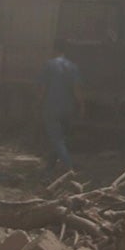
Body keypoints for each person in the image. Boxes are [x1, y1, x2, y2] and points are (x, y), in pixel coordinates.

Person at [38, 46, 83, 176]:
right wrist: (82, 105)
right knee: (60, 138)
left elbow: (42, 89)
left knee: (56, 139)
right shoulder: (73, 67)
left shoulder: (48, 65)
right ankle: (50, 166)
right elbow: (77, 89)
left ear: (54, 51)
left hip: (51, 107)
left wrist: (37, 103)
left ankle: (69, 167)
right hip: (68, 108)